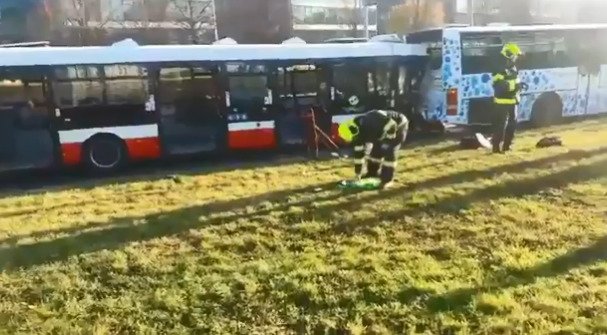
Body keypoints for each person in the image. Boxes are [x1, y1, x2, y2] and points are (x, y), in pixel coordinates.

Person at [337, 109, 409, 189]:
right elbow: (359, 154)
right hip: (380, 131)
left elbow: (392, 125)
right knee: (376, 152)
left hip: (398, 125)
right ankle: (372, 174)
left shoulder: (373, 119)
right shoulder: (356, 133)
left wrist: (389, 139)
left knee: (388, 150)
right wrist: (358, 173)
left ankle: (387, 180)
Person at [490, 42, 524, 154]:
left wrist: (520, 86)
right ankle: (496, 148)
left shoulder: (513, 67)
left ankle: (507, 146)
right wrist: (515, 86)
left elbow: (514, 81)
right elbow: (499, 86)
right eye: (515, 55)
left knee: (512, 125)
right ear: (509, 54)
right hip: (501, 102)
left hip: (513, 101)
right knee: (500, 126)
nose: (516, 58)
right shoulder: (498, 68)